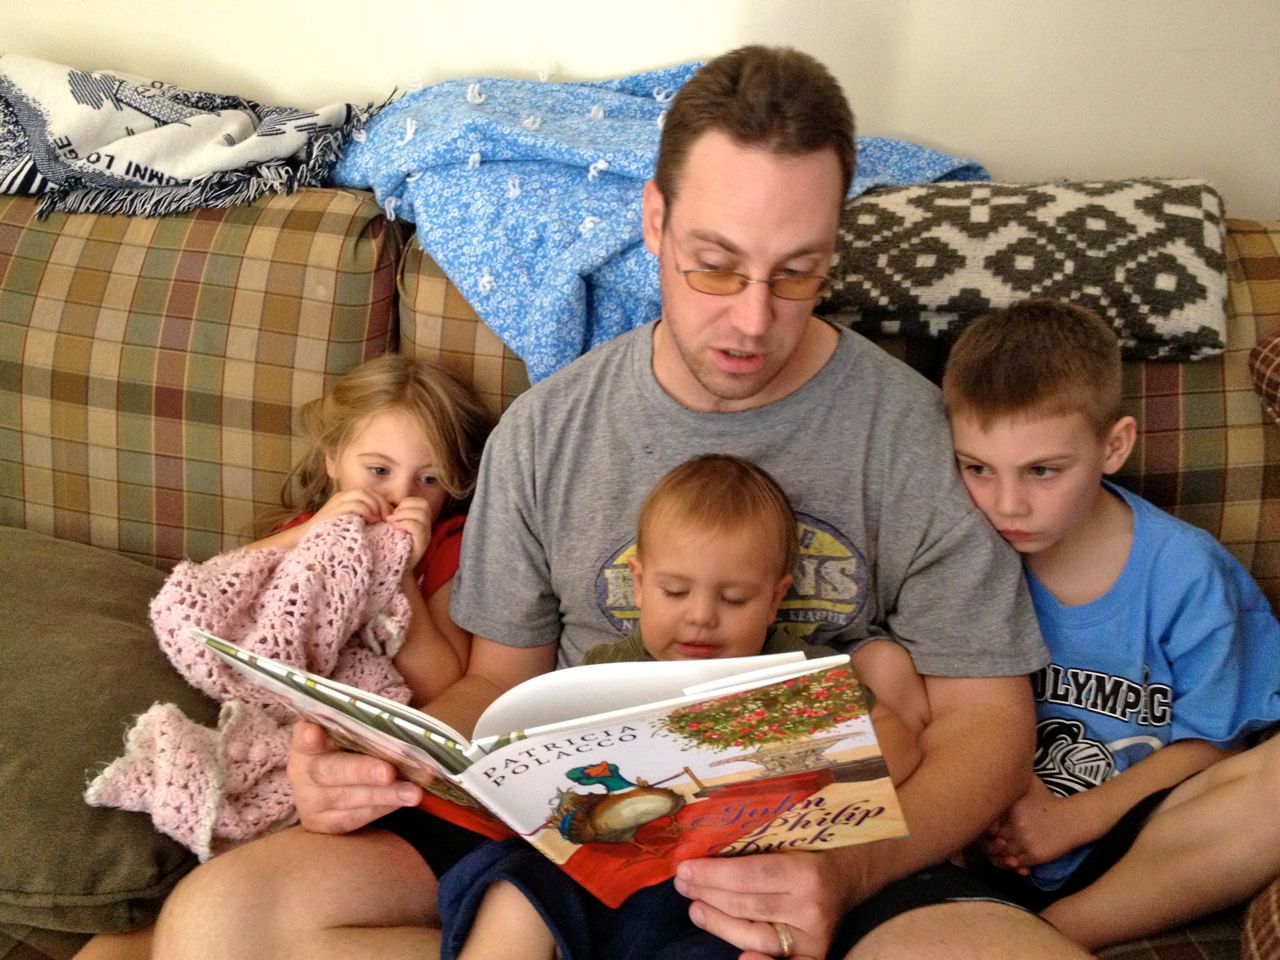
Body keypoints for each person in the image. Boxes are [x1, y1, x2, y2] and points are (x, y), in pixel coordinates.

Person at [155, 46, 1094, 960]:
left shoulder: (913, 434)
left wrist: (850, 873)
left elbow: (986, 727)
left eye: (796, 272)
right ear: (654, 221)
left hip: (820, 847)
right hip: (570, 835)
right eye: (715, 265)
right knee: (218, 927)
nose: (754, 319)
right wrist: (373, 767)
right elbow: (497, 687)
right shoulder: (548, 432)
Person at [448, 453, 924, 960]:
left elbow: (897, 743)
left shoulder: (796, 674)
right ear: (638, 582)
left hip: (723, 892)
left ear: (774, 598)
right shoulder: (604, 671)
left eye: (735, 599)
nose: (700, 617)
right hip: (600, 870)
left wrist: (800, 776)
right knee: (513, 888)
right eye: (674, 591)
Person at [941, 298, 1280, 950]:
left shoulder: (1187, 573)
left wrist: (1072, 821)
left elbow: (1217, 747)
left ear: (1113, 445)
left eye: (1043, 471)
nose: (1007, 504)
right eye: (977, 468)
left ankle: (1045, 937)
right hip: (975, 834)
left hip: (1136, 840)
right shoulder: (957, 553)